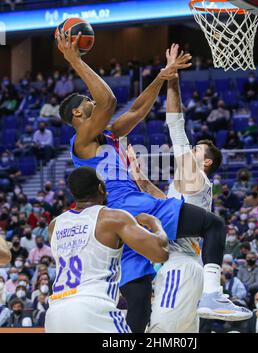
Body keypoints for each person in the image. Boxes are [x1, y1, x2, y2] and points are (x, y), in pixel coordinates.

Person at [57, 35, 244, 331]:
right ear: (78, 113)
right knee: (213, 225)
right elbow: (109, 101)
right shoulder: (81, 140)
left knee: (140, 297)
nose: (94, 102)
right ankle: (212, 295)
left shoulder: (108, 134)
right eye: (87, 102)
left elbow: (136, 111)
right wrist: (75, 61)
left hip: (119, 219)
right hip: (129, 205)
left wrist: (161, 76)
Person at [129, 44, 251, 333]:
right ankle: (212, 293)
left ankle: (214, 294)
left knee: (158, 334)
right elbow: (166, 203)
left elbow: (176, 125)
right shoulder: (188, 188)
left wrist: (172, 78)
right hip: (189, 268)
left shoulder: (197, 178)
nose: (190, 149)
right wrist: (142, 181)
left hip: (180, 267)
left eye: (197, 149)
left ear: (206, 162)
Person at [45, 166, 169, 333]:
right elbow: (160, 253)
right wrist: (155, 223)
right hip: (93, 308)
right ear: (101, 188)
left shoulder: (54, 225)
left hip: (55, 314)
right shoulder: (113, 217)